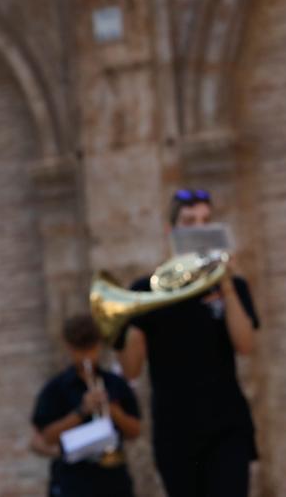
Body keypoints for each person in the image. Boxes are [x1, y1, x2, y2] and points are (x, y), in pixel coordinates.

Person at [116, 188, 260, 497]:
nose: (199, 228)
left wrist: (226, 285)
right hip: (175, 430)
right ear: (172, 231)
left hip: (226, 425)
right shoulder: (147, 289)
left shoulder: (233, 285)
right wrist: (125, 329)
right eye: (189, 221)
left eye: (206, 221)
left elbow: (245, 345)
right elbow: (131, 370)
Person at [31, 315, 141, 497]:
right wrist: (82, 411)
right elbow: (46, 437)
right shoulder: (55, 389)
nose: (86, 357)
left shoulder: (115, 383)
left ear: (99, 346)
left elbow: (135, 431)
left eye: (91, 350)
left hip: (114, 480)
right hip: (72, 481)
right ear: (69, 348)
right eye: (80, 351)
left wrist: (112, 410)